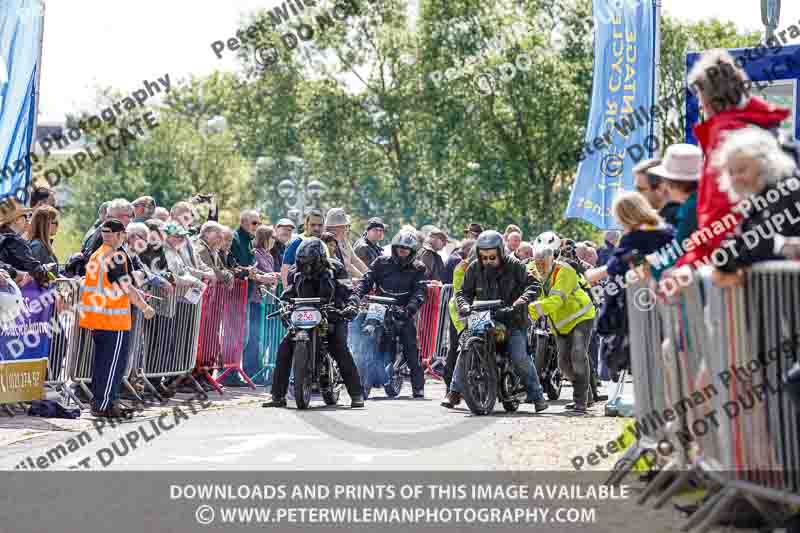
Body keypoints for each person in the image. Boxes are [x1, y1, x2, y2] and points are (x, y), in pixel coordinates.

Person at [678, 48, 790, 271]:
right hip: (765, 263)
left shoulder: (725, 134)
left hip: (734, 271)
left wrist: (692, 264)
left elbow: (719, 210)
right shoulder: (768, 128)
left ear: (708, 98)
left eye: (701, 100)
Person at [451, 230, 548, 411]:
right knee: (466, 345)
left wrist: (522, 300)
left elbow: (535, 285)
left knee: (519, 357)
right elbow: (462, 293)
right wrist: (463, 305)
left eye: (492, 257)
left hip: (512, 320)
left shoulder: (515, 265)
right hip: (482, 317)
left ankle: (537, 396)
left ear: (501, 253)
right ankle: (454, 392)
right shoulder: (473, 268)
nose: (487, 261)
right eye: (484, 257)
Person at [262, 238, 364, 408]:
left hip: (331, 314)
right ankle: (277, 396)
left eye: (310, 262)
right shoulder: (295, 272)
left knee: (339, 346)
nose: (307, 266)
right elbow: (289, 293)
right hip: (304, 316)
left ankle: (356, 394)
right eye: (303, 262)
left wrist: (351, 305)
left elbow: (349, 291)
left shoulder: (336, 268)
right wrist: (285, 305)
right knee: (285, 347)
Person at [78, 218, 156, 418]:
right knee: (113, 364)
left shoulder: (97, 254)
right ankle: (105, 403)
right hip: (113, 320)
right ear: (120, 235)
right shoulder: (115, 255)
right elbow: (125, 286)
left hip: (98, 318)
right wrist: (144, 306)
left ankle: (103, 402)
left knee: (102, 363)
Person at [709, 127, 800, 285]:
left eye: (742, 170)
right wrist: (723, 263)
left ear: (764, 163)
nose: (736, 178)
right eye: (731, 172)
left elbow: (761, 245)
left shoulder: (786, 191)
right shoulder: (758, 199)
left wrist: (725, 264)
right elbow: (741, 242)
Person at [525, 231, 597, 414]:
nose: (540, 264)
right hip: (560, 324)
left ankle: (580, 402)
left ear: (553, 258)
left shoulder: (564, 271)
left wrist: (530, 309)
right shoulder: (531, 269)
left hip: (581, 317)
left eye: (544, 260)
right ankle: (586, 394)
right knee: (564, 365)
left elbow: (556, 300)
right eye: (537, 259)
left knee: (578, 355)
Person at [353, 230, 428, 398]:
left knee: (410, 345)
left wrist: (409, 309)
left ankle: (418, 386)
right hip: (378, 306)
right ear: (394, 247)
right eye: (399, 247)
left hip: (402, 310)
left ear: (412, 251)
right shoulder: (381, 262)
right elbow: (367, 280)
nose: (402, 250)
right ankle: (362, 381)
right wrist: (356, 295)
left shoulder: (418, 268)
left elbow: (420, 292)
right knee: (364, 334)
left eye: (406, 248)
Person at [646, 144, 703, 275]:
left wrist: (651, 266)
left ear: (670, 182)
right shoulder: (696, 203)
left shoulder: (691, 208)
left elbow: (678, 251)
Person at [440, 245, 476, 407]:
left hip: (488, 308)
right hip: (463, 313)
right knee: (457, 348)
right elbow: (460, 292)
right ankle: (452, 390)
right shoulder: (462, 267)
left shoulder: (499, 265)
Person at [0, 198, 49, 287]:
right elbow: (35, 269)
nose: (28, 220)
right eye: (26, 216)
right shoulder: (14, 240)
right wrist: (47, 273)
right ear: (17, 220)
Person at [282, 209, 325, 287]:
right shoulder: (296, 243)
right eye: (313, 225)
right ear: (306, 225)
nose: (317, 228)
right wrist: (287, 293)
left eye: (320, 225)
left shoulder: (324, 243)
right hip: (301, 294)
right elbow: (285, 269)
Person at [633, 158, 680, 227]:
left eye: (641, 190)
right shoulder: (682, 213)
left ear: (660, 188)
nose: (637, 195)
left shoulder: (672, 220)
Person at [324, 207, 368, 279]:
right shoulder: (328, 241)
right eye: (345, 226)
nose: (347, 228)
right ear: (338, 227)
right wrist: (364, 279)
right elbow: (347, 266)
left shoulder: (344, 239)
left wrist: (369, 274)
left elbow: (355, 260)